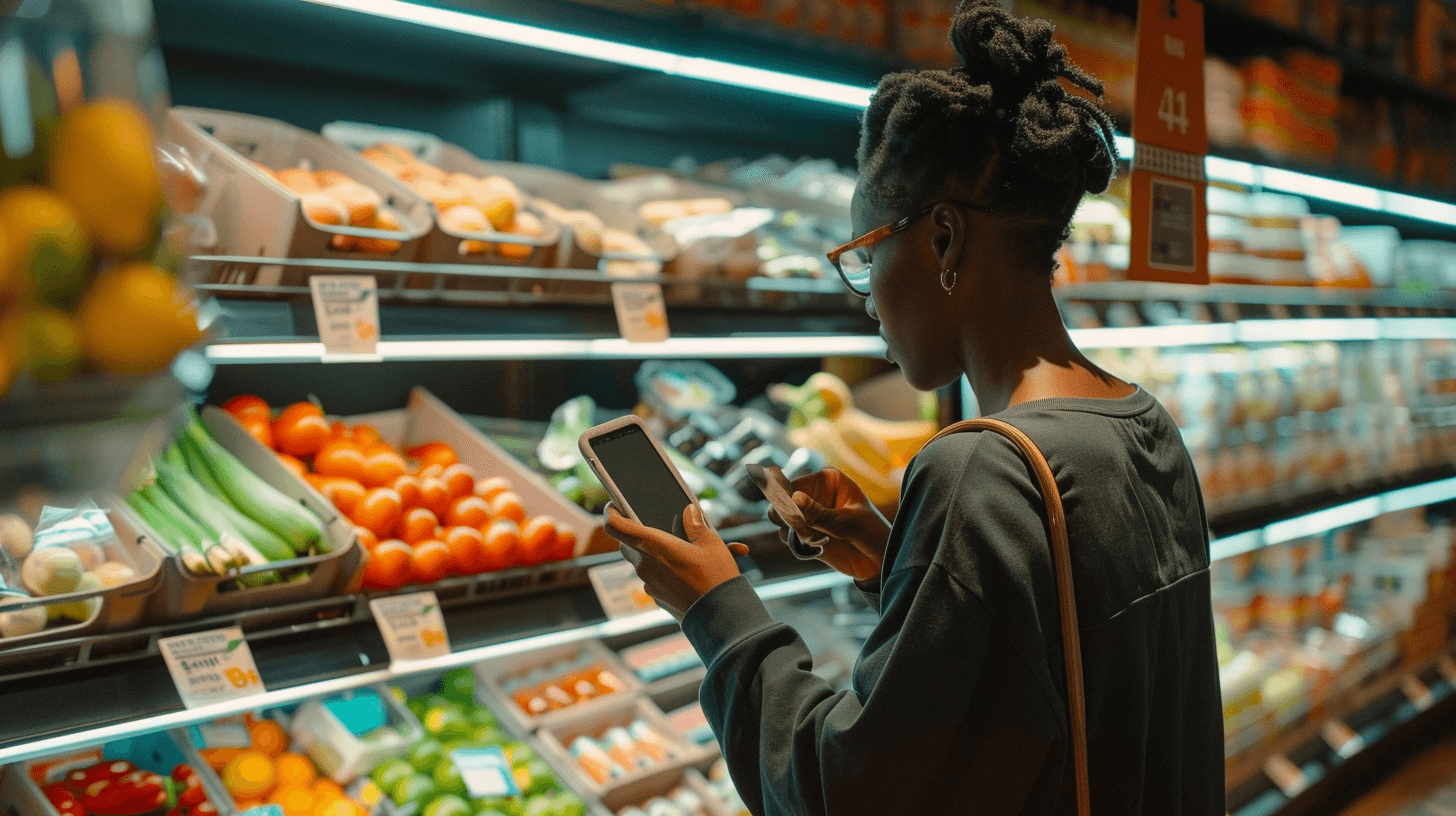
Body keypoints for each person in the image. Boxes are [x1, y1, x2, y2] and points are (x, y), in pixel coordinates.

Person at [604, 1, 1226, 813]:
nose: (864, 300)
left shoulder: (980, 469)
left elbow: (844, 789)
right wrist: (890, 559)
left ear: (941, 241)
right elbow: (1048, 681)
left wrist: (715, 606)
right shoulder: (1145, 426)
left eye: (865, 255)